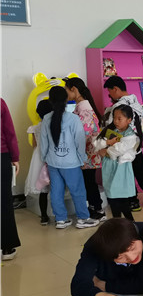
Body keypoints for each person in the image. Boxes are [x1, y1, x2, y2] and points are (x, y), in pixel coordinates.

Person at [71, 218, 143, 296]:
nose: (131, 258)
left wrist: (103, 285)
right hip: (117, 294)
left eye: (132, 248)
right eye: (120, 257)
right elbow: (78, 285)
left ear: (137, 235)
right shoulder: (96, 246)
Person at [40, 87, 99, 229]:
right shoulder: (73, 119)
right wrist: (82, 158)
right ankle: (83, 218)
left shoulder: (46, 118)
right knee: (77, 191)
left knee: (56, 191)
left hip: (53, 162)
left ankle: (60, 220)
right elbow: (79, 141)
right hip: (71, 162)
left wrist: (45, 158)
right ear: (66, 99)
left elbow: (43, 142)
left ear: (50, 100)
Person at [104, 76, 143, 211]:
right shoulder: (136, 101)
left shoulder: (118, 107)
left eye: (109, 91)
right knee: (141, 170)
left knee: (127, 173)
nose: (109, 95)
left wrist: (108, 143)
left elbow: (112, 127)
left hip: (123, 146)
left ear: (115, 89)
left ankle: (133, 201)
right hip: (136, 144)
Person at [65, 77, 105, 221]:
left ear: (74, 89)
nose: (66, 94)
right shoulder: (82, 107)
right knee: (88, 182)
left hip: (87, 154)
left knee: (89, 183)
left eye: (66, 90)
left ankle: (97, 209)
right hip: (87, 153)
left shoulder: (84, 109)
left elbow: (83, 133)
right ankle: (95, 207)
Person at [94, 104, 141, 220]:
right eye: (114, 118)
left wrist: (106, 150)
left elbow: (118, 151)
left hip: (121, 169)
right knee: (113, 199)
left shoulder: (131, 136)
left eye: (119, 118)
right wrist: (107, 143)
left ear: (129, 120)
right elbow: (97, 143)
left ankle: (128, 224)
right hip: (109, 168)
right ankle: (120, 224)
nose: (116, 121)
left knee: (120, 200)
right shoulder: (111, 131)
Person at [25, 100, 53, 225]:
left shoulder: (35, 128)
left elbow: (34, 145)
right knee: (55, 185)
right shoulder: (52, 125)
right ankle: (59, 215)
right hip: (51, 155)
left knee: (42, 188)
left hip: (38, 157)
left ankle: (44, 216)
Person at [1, 98, 21, 260]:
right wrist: (15, 157)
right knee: (4, 201)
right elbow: (9, 131)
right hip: (1, 156)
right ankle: (7, 247)